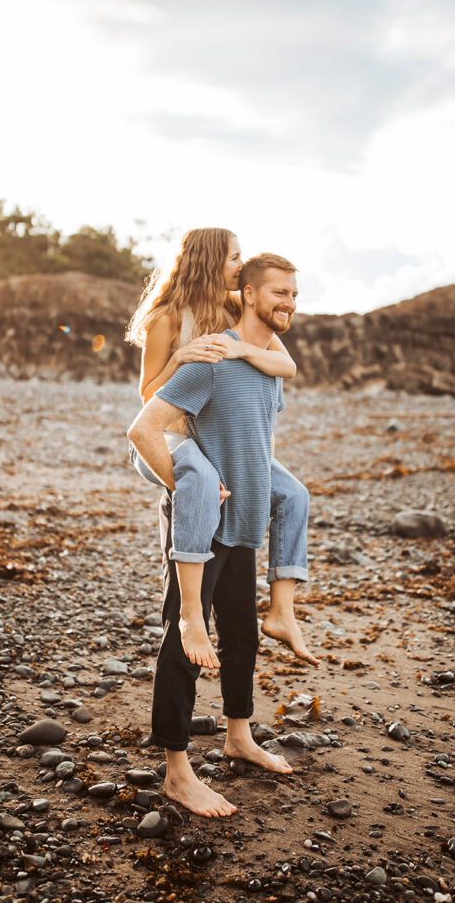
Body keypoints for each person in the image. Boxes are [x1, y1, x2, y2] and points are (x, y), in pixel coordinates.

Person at [127, 254, 303, 816]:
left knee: (242, 635)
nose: (289, 302)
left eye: (294, 294)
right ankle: (177, 772)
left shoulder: (268, 360)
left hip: (245, 521)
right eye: (279, 292)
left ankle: (238, 736)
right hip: (201, 530)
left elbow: (259, 438)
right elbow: (144, 426)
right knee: (183, 642)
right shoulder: (210, 357)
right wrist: (186, 487)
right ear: (248, 294)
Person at [125, 228, 318, 669]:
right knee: (201, 480)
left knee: (293, 494)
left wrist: (238, 354)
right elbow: (147, 399)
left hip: (211, 435)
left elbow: (284, 364)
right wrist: (182, 357)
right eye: (234, 257)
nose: (240, 265)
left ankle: (282, 610)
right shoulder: (167, 318)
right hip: (169, 438)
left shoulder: (235, 307)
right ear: (211, 261)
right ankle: (191, 615)